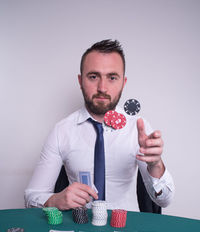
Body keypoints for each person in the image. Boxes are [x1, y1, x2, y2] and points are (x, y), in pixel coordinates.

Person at [25, 39, 174, 211]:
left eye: (112, 77)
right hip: (80, 227)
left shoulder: (138, 128)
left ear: (123, 83)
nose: (102, 88)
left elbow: (165, 201)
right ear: (80, 81)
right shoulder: (62, 131)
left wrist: (155, 164)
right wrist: (54, 200)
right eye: (93, 76)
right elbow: (31, 197)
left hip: (126, 230)